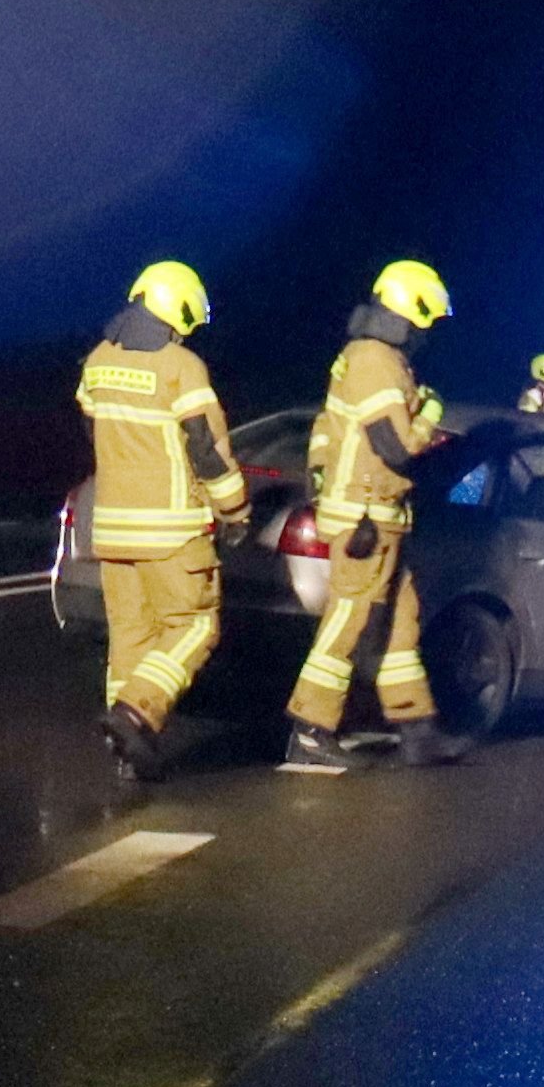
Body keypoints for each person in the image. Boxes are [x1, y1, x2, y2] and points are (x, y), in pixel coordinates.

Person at [284, 259, 468, 774]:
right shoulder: (376, 362)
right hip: (365, 518)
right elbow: (396, 447)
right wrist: (430, 411)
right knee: (349, 618)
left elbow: (327, 434)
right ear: (412, 312)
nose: (427, 333)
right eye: (427, 320)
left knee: (400, 622)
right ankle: (310, 728)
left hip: (375, 513)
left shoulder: (364, 359)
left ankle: (416, 728)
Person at [78, 259, 248, 779]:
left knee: (131, 635)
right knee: (196, 626)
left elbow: (93, 429)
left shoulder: (98, 362)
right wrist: (234, 507)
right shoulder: (182, 367)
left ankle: (126, 752)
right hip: (172, 529)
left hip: (113, 529)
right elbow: (206, 448)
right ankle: (136, 712)